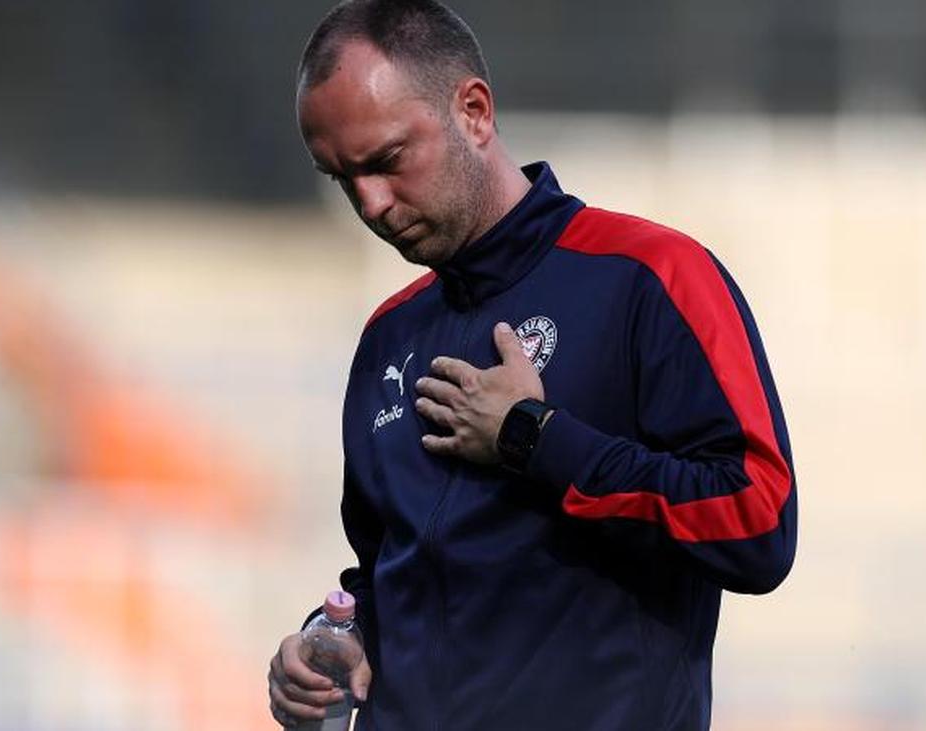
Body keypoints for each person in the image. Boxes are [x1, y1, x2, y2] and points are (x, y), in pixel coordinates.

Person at [266, 1, 798, 729]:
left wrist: (534, 436)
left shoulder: (650, 277)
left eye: (387, 161)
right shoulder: (388, 337)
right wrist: (335, 639)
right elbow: (391, 574)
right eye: (342, 178)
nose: (372, 204)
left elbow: (757, 523)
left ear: (474, 112)